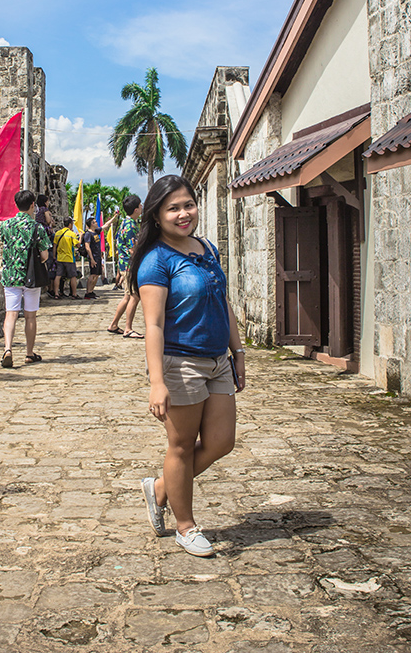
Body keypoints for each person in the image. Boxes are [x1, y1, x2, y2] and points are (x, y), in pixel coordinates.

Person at [129, 175, 246, 558]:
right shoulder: (156, 261)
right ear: (157, 215)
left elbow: (222, 303)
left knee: (221, 442)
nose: (183, 214)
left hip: (217, 362)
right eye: (173, 208)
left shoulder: (206, 248)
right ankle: (185, 526)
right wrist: (157, 381)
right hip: (180, 364)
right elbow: (153, 324)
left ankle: (162, 488)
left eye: (188, 205)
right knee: (180, 446)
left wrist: (238, 353)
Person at [0, 189, 51, 367]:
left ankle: (8, 349)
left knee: (10, 314)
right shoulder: (37, 227)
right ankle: (29, 353)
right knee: (30, 316)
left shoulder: (5, 225)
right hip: (31, 276)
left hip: (10, 275)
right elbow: (44, 255)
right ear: (32, 205)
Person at [107, 194, 143, 338]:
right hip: (129, 265)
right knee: (134, 295)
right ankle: (128, 328)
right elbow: (132, 249)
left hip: (124, 264)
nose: (142, 207)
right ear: (135, 209)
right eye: (140, 205)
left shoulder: (125, 223)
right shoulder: (130, 226)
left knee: (128, 296)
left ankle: (114, 324)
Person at [83, 211, 118, 299]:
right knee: (93, 274)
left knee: (97, 274)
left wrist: (114, 217)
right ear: (91, 224)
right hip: (93, 257)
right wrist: (91, 259)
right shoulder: (88, 234)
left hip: (98, 256)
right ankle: (88, 293)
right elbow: (87, 247)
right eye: (95, 222)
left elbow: (105, 225)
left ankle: (91, 291)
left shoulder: (96, 232)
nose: (97, 223)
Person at [53, 217, 81, 300]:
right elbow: (78, 245)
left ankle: (56, 293)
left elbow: (54, 246)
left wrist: (54, 256)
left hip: (60, 258)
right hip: (69, 258)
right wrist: (81, 237)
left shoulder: (57, 233)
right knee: (73, 276)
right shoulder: (72, 234)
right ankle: (74, 294)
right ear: (70, 224)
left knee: (58, 276)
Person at [36, 194, 56, 296]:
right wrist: (51, 221)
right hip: (45, 232)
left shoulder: (37, 210)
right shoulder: (44, 209)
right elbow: (48, 221)